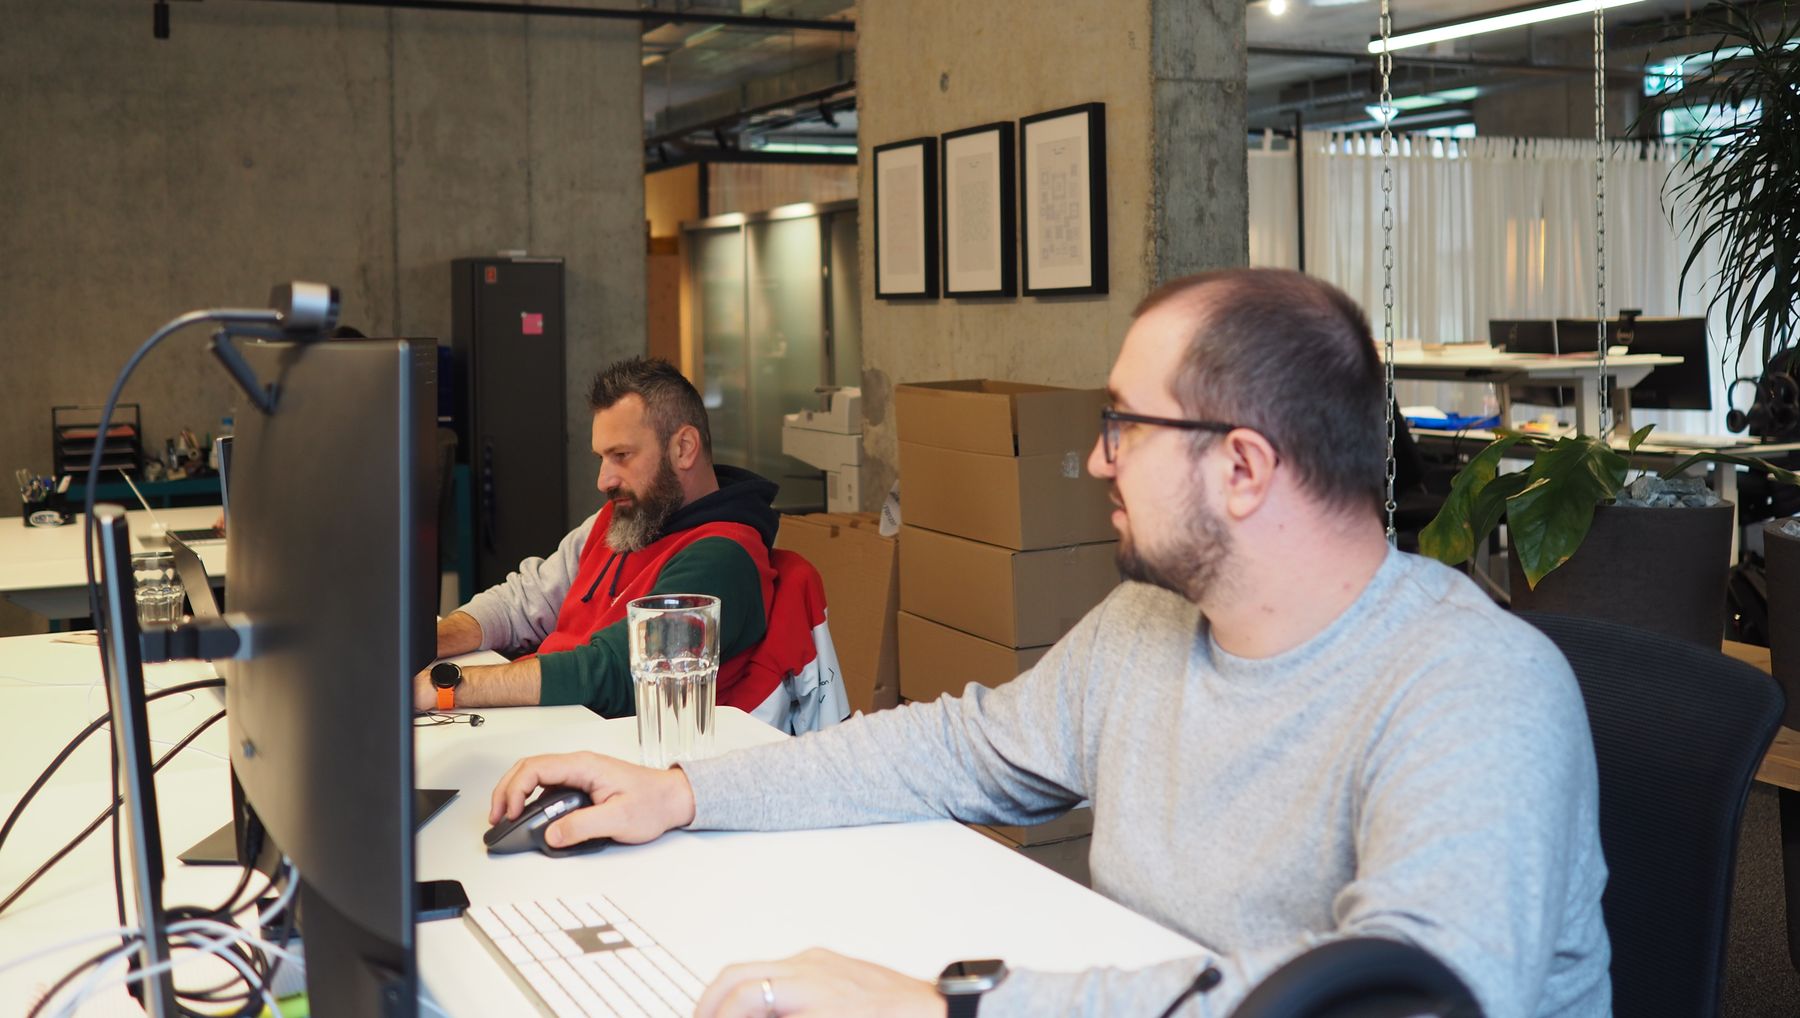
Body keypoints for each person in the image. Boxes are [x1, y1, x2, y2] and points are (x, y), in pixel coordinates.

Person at [488, 270, 1610, 1017]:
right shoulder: (1151, 628)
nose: (1097, 460)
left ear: (1243, 467)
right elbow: (951, 748)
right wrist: (683, 791)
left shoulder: (1474, 690)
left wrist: (952, 1005)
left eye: (1124, 426)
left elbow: (1399, 999)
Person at [423, 357, 796, 722]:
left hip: (616, 746)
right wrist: (426, 645)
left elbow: (617, 672)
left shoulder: (722, 556)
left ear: (683, 448)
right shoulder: (625, 518)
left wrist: (443, 687)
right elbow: (522, 603)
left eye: (622, 455)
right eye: (602, 458)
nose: (604, 480)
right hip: (558, 725)